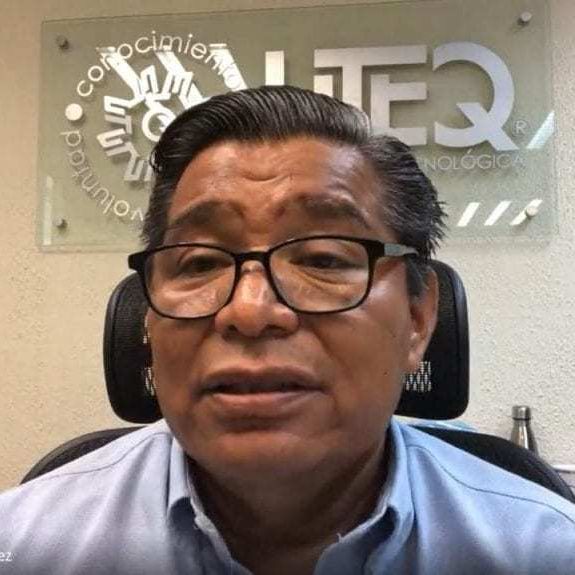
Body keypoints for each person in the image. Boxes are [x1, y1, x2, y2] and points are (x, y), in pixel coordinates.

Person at [1, 86, 574, 575]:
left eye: (323, 259)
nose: (250, 311)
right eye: (199, 263)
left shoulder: (542, 551)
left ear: (418, 320)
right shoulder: (26, 545)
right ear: (149, 321)